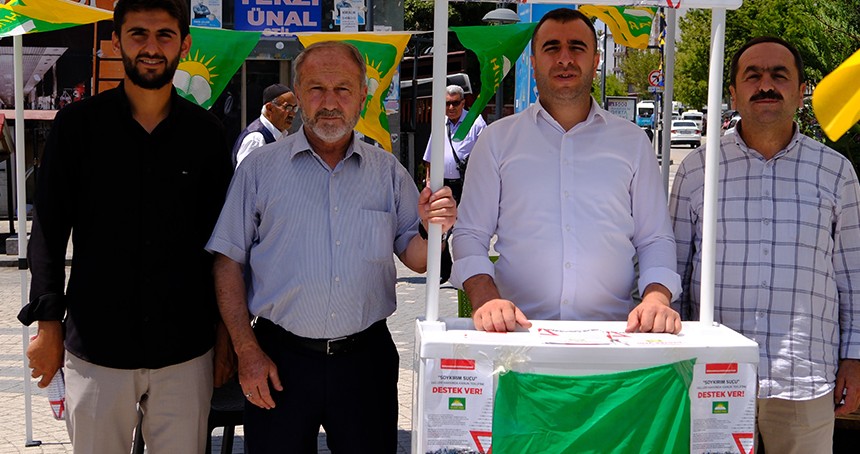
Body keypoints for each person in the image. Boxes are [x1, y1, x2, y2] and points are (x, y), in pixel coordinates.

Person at [206, 41, 457, 452]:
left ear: (362, 95)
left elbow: (415, 256)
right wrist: (246, 350)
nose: (329, 102)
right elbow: (227, 262)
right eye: (316, 89)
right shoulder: (260, 170)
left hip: (365, 360)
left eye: (342, 89)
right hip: (277, 359)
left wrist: (433, 229)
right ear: (298, 93)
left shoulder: (386, 172)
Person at [18, 0, 233, 452]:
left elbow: (225, 247)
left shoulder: (208, 135)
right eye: (138, 34)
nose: (151, 47)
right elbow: (49, 232)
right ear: (117, 41)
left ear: (184, 44)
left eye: (164, 35)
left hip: (186, 350)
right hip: (96, 347)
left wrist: (225, 335)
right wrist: (48, 323)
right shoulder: (77, 128)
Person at [670, 36, 860, 453]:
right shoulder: (698, 170)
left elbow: (853, 276)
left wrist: (855, 359)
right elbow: (675, 271)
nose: (766, 85)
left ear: (800, 90)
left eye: (779, 75)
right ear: (733, 93)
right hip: (712, 376)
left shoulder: (835, 172)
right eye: (752, 76)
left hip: (804, 379)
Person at [450, 8, 681, 334]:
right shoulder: (497, 141)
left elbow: (654, 238)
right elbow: (470, 234)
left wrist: (656, 298)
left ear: (596, 59)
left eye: (577, 47)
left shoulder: (632, 142)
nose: (564, 59)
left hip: (615, 338)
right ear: (532, 63)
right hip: (518, 338)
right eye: (551, 48)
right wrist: (485, 298)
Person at [423, 84, 485, 283]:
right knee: (439, 229)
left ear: (463, 102)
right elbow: (430, 156)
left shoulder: (475, 123)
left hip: (466, 184)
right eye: (447, 104)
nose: (451, 108)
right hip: (442, 184)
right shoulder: (440, 124)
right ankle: (445, 271)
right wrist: (429, 180)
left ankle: (469, 271)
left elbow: (486, 155)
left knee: (465, 228)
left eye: (455, 103)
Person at [231, 83, 298, 168]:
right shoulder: (256, 139)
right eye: (288, 108)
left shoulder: (280, 136)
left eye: (294, 108)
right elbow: (245, 178)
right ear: (270, 108)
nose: (292, 114)